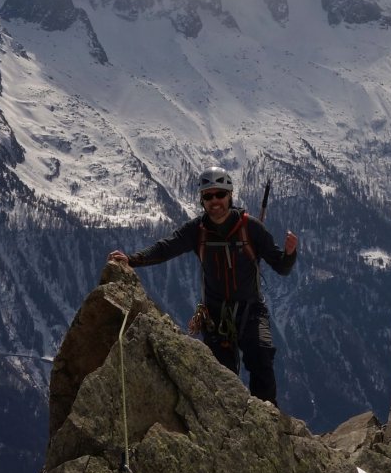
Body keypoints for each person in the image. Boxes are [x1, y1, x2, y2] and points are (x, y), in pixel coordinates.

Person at [108, 166, 299, 406]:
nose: (214, 201)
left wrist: (290, 254)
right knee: (221, 378)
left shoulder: (251, 228)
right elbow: (166, 247)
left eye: (219, 194)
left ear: (230, 195)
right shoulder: (197, 231)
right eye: (208, 196)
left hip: (251, 311)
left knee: (262, 359)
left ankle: (269, 425)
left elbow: (282, 266)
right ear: (202, 200)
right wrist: (133, 260)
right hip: (215, 316)